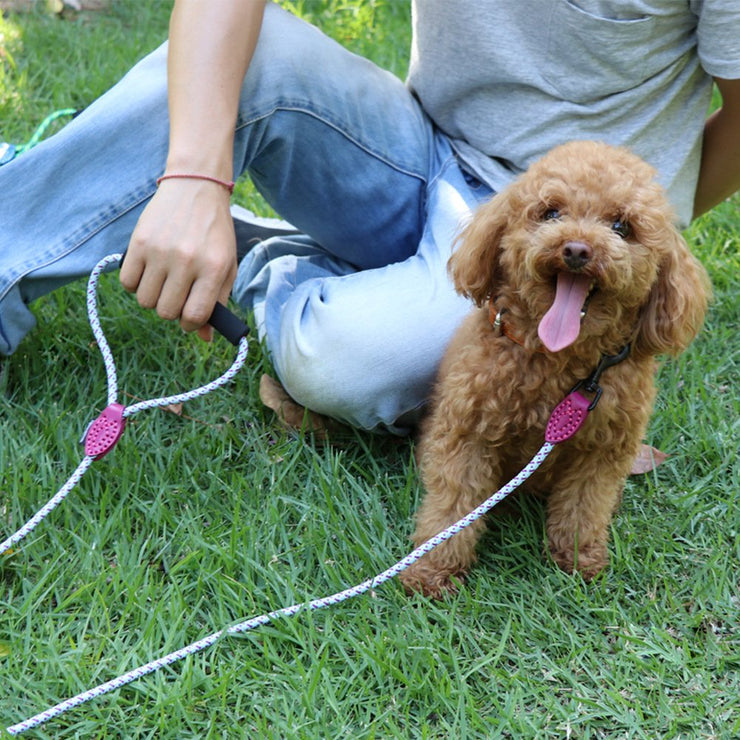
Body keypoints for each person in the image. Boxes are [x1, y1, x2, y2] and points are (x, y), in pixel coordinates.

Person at [0, 1, 738, 435]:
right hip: (412, 149)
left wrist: (632, 248)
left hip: (563, 214)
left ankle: (254, 254)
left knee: (342, 361)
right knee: (262, 55)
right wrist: (194, 174)